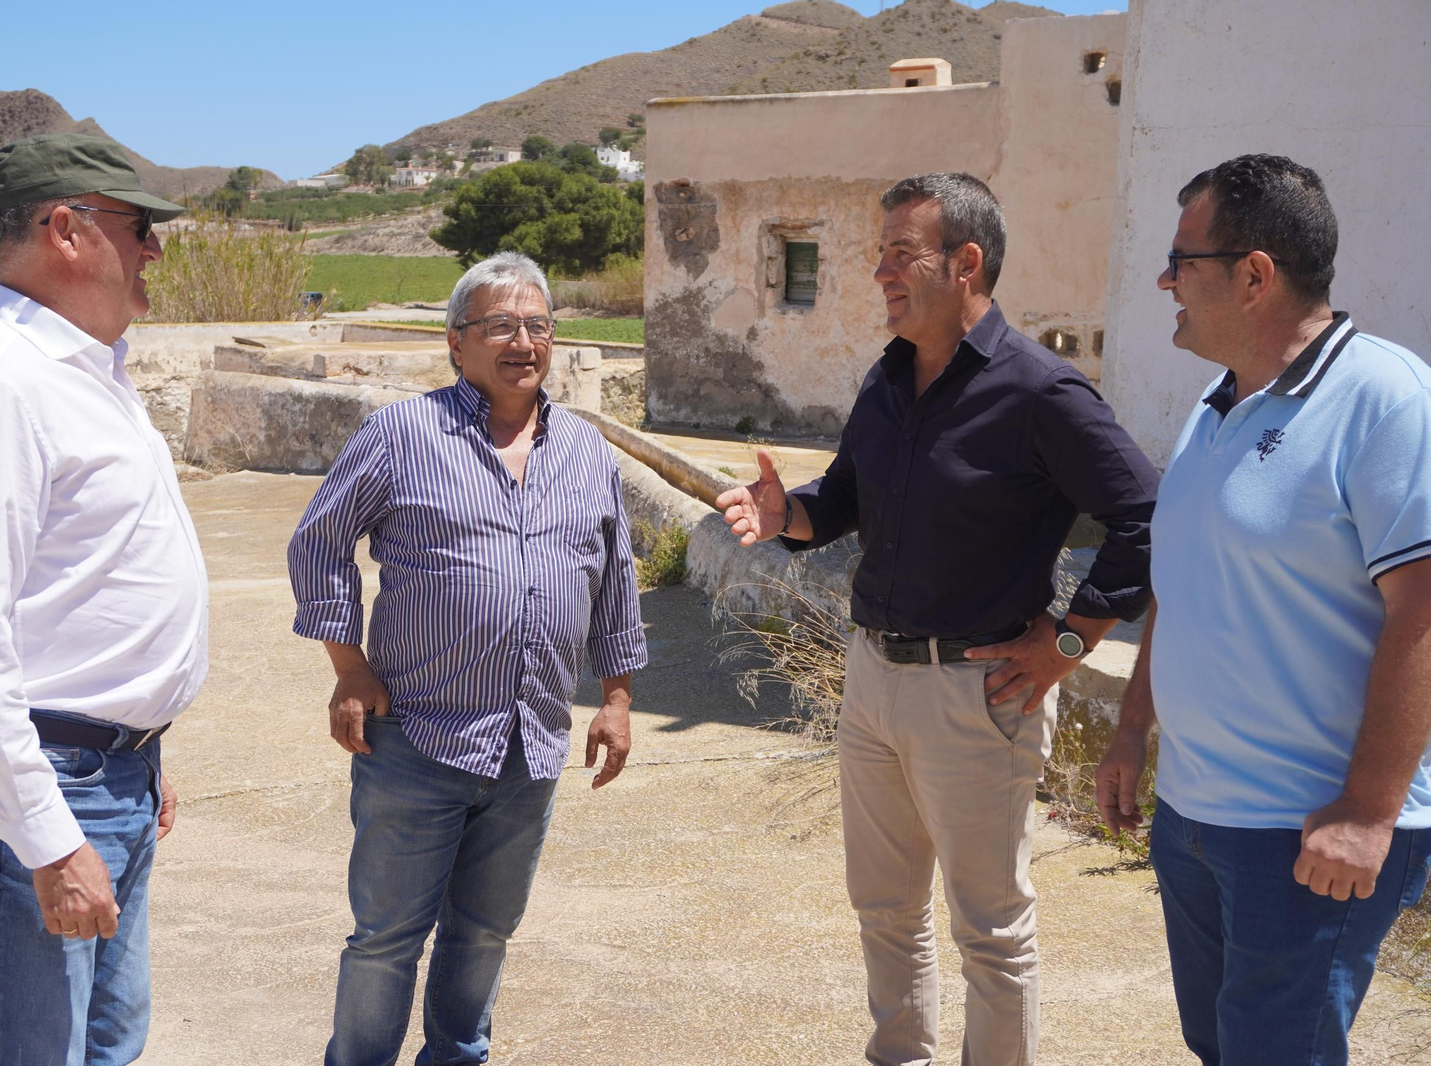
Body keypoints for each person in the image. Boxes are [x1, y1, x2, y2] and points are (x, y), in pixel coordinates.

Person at [718, 172, 1158, 1065]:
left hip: (979, 692)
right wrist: (784, 516)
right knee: (884, 912)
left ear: (966, 262)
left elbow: (1146, 514)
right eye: (877, 253)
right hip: (874, 679)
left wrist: (1068, 644)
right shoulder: (887, 380)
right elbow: (841, 499)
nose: (879, 270)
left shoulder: (1041, 391)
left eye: (900, 253)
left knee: (990, 932)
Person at [1095, 154, 1431, 1065]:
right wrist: (1133, 729)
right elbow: (1186, 581)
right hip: (1198, 820)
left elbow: (1423, 615)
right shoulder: (1215, 403)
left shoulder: (1386, 399)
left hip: (1307, 834)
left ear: (1254, 275)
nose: (1164, 279)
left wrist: (1366, 812)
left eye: (1182, 260)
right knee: (1222, 1048)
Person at [287, 250, 647, 1066]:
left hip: (531, 745)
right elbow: (318, 543)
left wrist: (617, 698)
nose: (522, 341)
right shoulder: (402, 435)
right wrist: (349, 667)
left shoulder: (587, 452)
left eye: (537, 325)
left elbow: (615, 576)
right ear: (457, 343)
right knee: (385, 941)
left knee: (485, 933)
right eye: (499, 326)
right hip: (416, 738)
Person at [0, 133, 204, 1065]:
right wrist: (49, 837)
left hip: (105, 770)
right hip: (49, 776)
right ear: (67, 229)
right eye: (141, 227)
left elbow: (78, 589)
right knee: (42, 1052)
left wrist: (135, 743)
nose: (154, 250)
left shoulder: (84, 374)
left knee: (106, 1042)